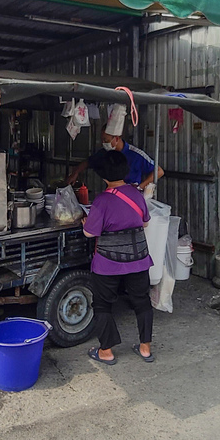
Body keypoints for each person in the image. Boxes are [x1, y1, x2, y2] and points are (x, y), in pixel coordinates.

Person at [82, 148, 154, 365]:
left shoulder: (102, 200)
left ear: (103, 175)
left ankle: (106, 352)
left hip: (108, 262)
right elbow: (145, 222)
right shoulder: (136, 194)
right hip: (139, 258)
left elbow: (90, 233)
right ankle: (145, 348)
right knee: (142, 301)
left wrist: (85, 223)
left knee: (103, 305)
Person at [67, 129, 164, 193]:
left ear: (116, 138)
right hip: (111, 195)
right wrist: (75, 173)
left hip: (132, 196)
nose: (103, 143)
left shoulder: (136, 154)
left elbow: (159, 171)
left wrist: (140, 187)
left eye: (106, 140)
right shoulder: (104, 152)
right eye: (102, 140)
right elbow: (88, 162)